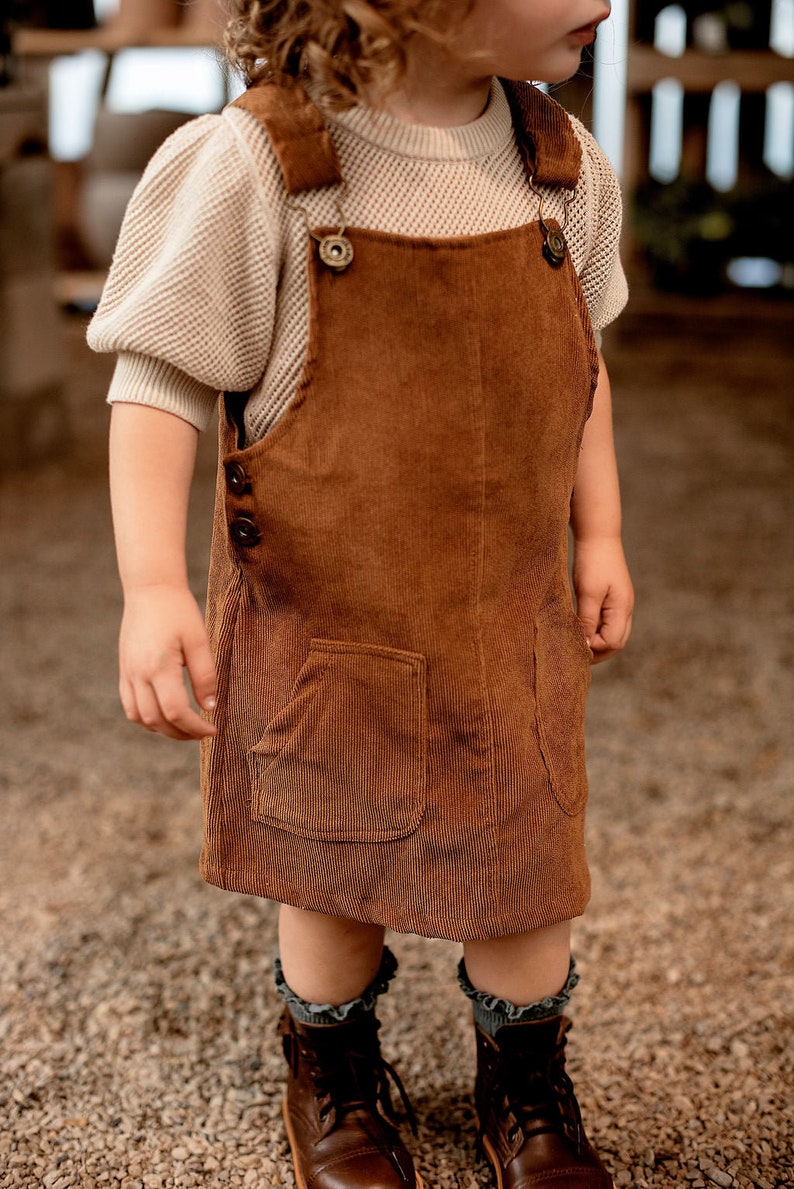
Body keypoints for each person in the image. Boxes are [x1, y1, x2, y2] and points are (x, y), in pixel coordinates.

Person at [89, 1, 634, 1186]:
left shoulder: (560, 170)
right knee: (330, 870)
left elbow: (584, 368)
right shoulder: (261, 165)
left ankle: (524, 1075)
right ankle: (330, 1062)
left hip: (507, 615)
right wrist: (149, 585)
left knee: (527, 865)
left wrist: (603, 532)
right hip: (327, 623)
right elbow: (160, 368)